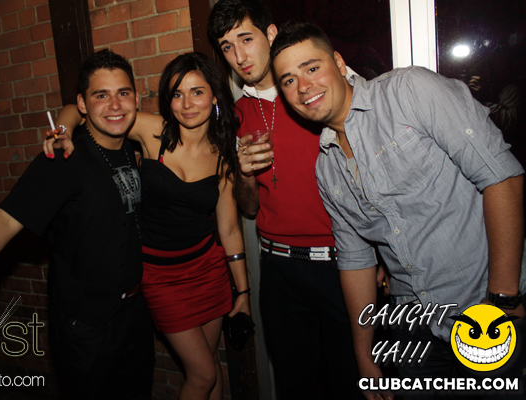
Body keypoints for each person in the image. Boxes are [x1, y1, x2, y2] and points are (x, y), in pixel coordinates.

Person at [270, 21, 526, 399]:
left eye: (311, 67)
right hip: (413, 332)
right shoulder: (327, 167)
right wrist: (364, 354)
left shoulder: (409, 92)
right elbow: (356, 261)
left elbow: (501, 177)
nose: (303, 86)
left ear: (338, 63)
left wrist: (504, 301)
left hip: (484, 311)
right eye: (289, 80)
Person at [0, 49, 155, 399]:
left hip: (135, 314)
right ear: (82, 104)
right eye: (101, 95)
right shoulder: (63, 159)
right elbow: (5, 219)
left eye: (122, 93)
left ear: (136, 99)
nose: (114, 104)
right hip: (85, 325)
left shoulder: (129, 147)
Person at [44, 52, 251, 400]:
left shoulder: (222, 155)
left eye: (197, 92)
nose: (187, 104)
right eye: (177, 94)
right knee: (202, 375)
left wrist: (242, 292)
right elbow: (77, 110)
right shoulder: (154, 130)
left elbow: (229, 230)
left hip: (208, 271)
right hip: (160, 276)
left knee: (212, 371)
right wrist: (61, 132)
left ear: (215, 96)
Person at [207, 1, 362, 399]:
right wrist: (244, 173)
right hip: (278, 269)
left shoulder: (315, 92)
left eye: (246, 39)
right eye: (227, 47)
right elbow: (249, 208)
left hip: (342, 262)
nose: (239, 56)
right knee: (295, 384)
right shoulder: (238, 113)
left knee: (353, 379)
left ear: (271, 34)